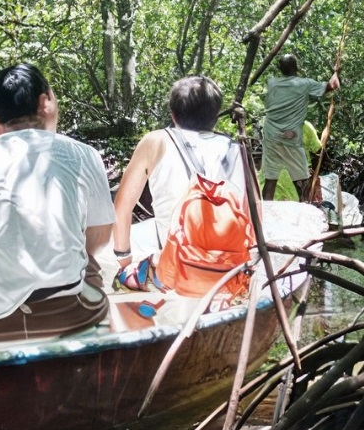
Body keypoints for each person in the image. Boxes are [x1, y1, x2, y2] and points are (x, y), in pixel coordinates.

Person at [0, 65, 113, 341]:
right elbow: (100, 237)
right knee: (91, 268)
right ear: (45, 103)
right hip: (68, 314)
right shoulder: (84, 154)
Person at [109, 75, 243, 278]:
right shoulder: (235, 147)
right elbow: (254, 211)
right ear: (216, 115)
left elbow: (121, 209)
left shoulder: (155, 141)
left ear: (173, 114)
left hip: (178, 271)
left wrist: (124, 260)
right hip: (228, 269)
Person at [258, 54, 338, 200]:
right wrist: (335, 74)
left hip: (271, 134)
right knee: (301, 180)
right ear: (296, 68)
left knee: (270, 178)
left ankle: (266, 212)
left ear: (280, 70)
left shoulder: (272, 83)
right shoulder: (303, 84)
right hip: (291, 135)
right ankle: (305, 207)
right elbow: (332, 86)